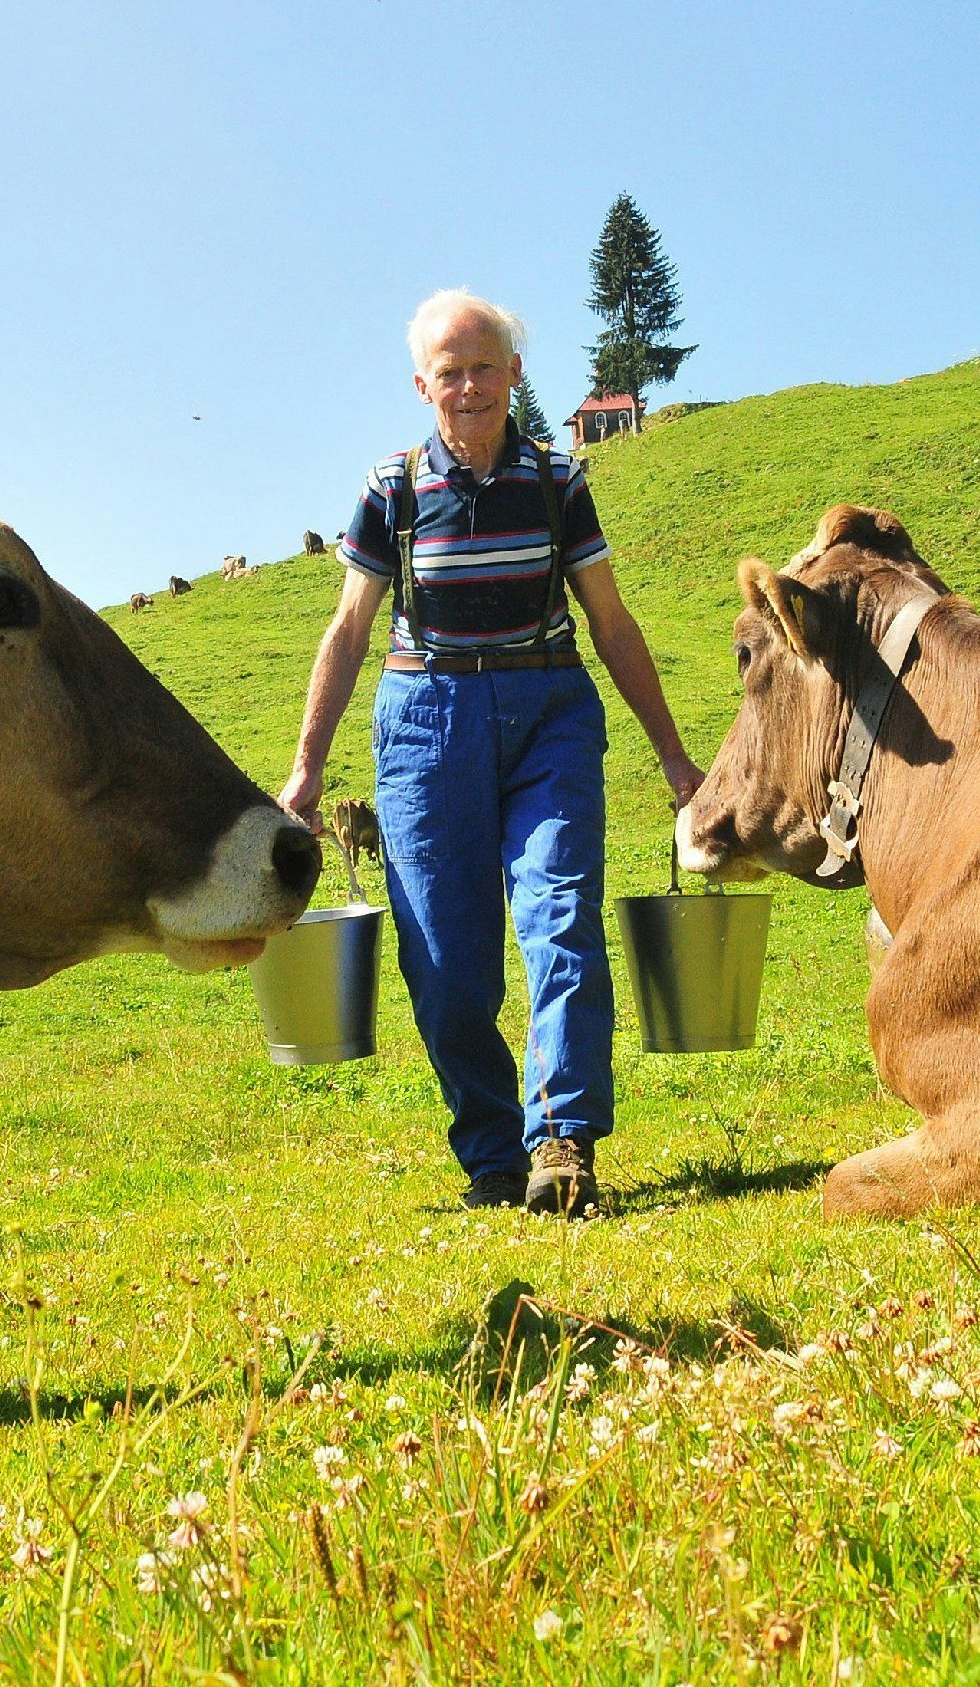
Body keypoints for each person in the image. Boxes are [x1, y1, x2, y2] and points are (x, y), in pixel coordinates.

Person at [279, 290, 702, 1217]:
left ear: (515, 373)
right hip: (426, 721)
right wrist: (307, 769)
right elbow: (348, 632)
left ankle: (562, 1140)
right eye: (450, 370)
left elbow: (612, 621)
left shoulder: (558, 480)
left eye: (485, 367)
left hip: (548, 706)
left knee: (560, 915)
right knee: (444, 961)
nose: (468, 386)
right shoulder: (392, 489)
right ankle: (491, 1154)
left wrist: (674, 757)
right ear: (421, 383)